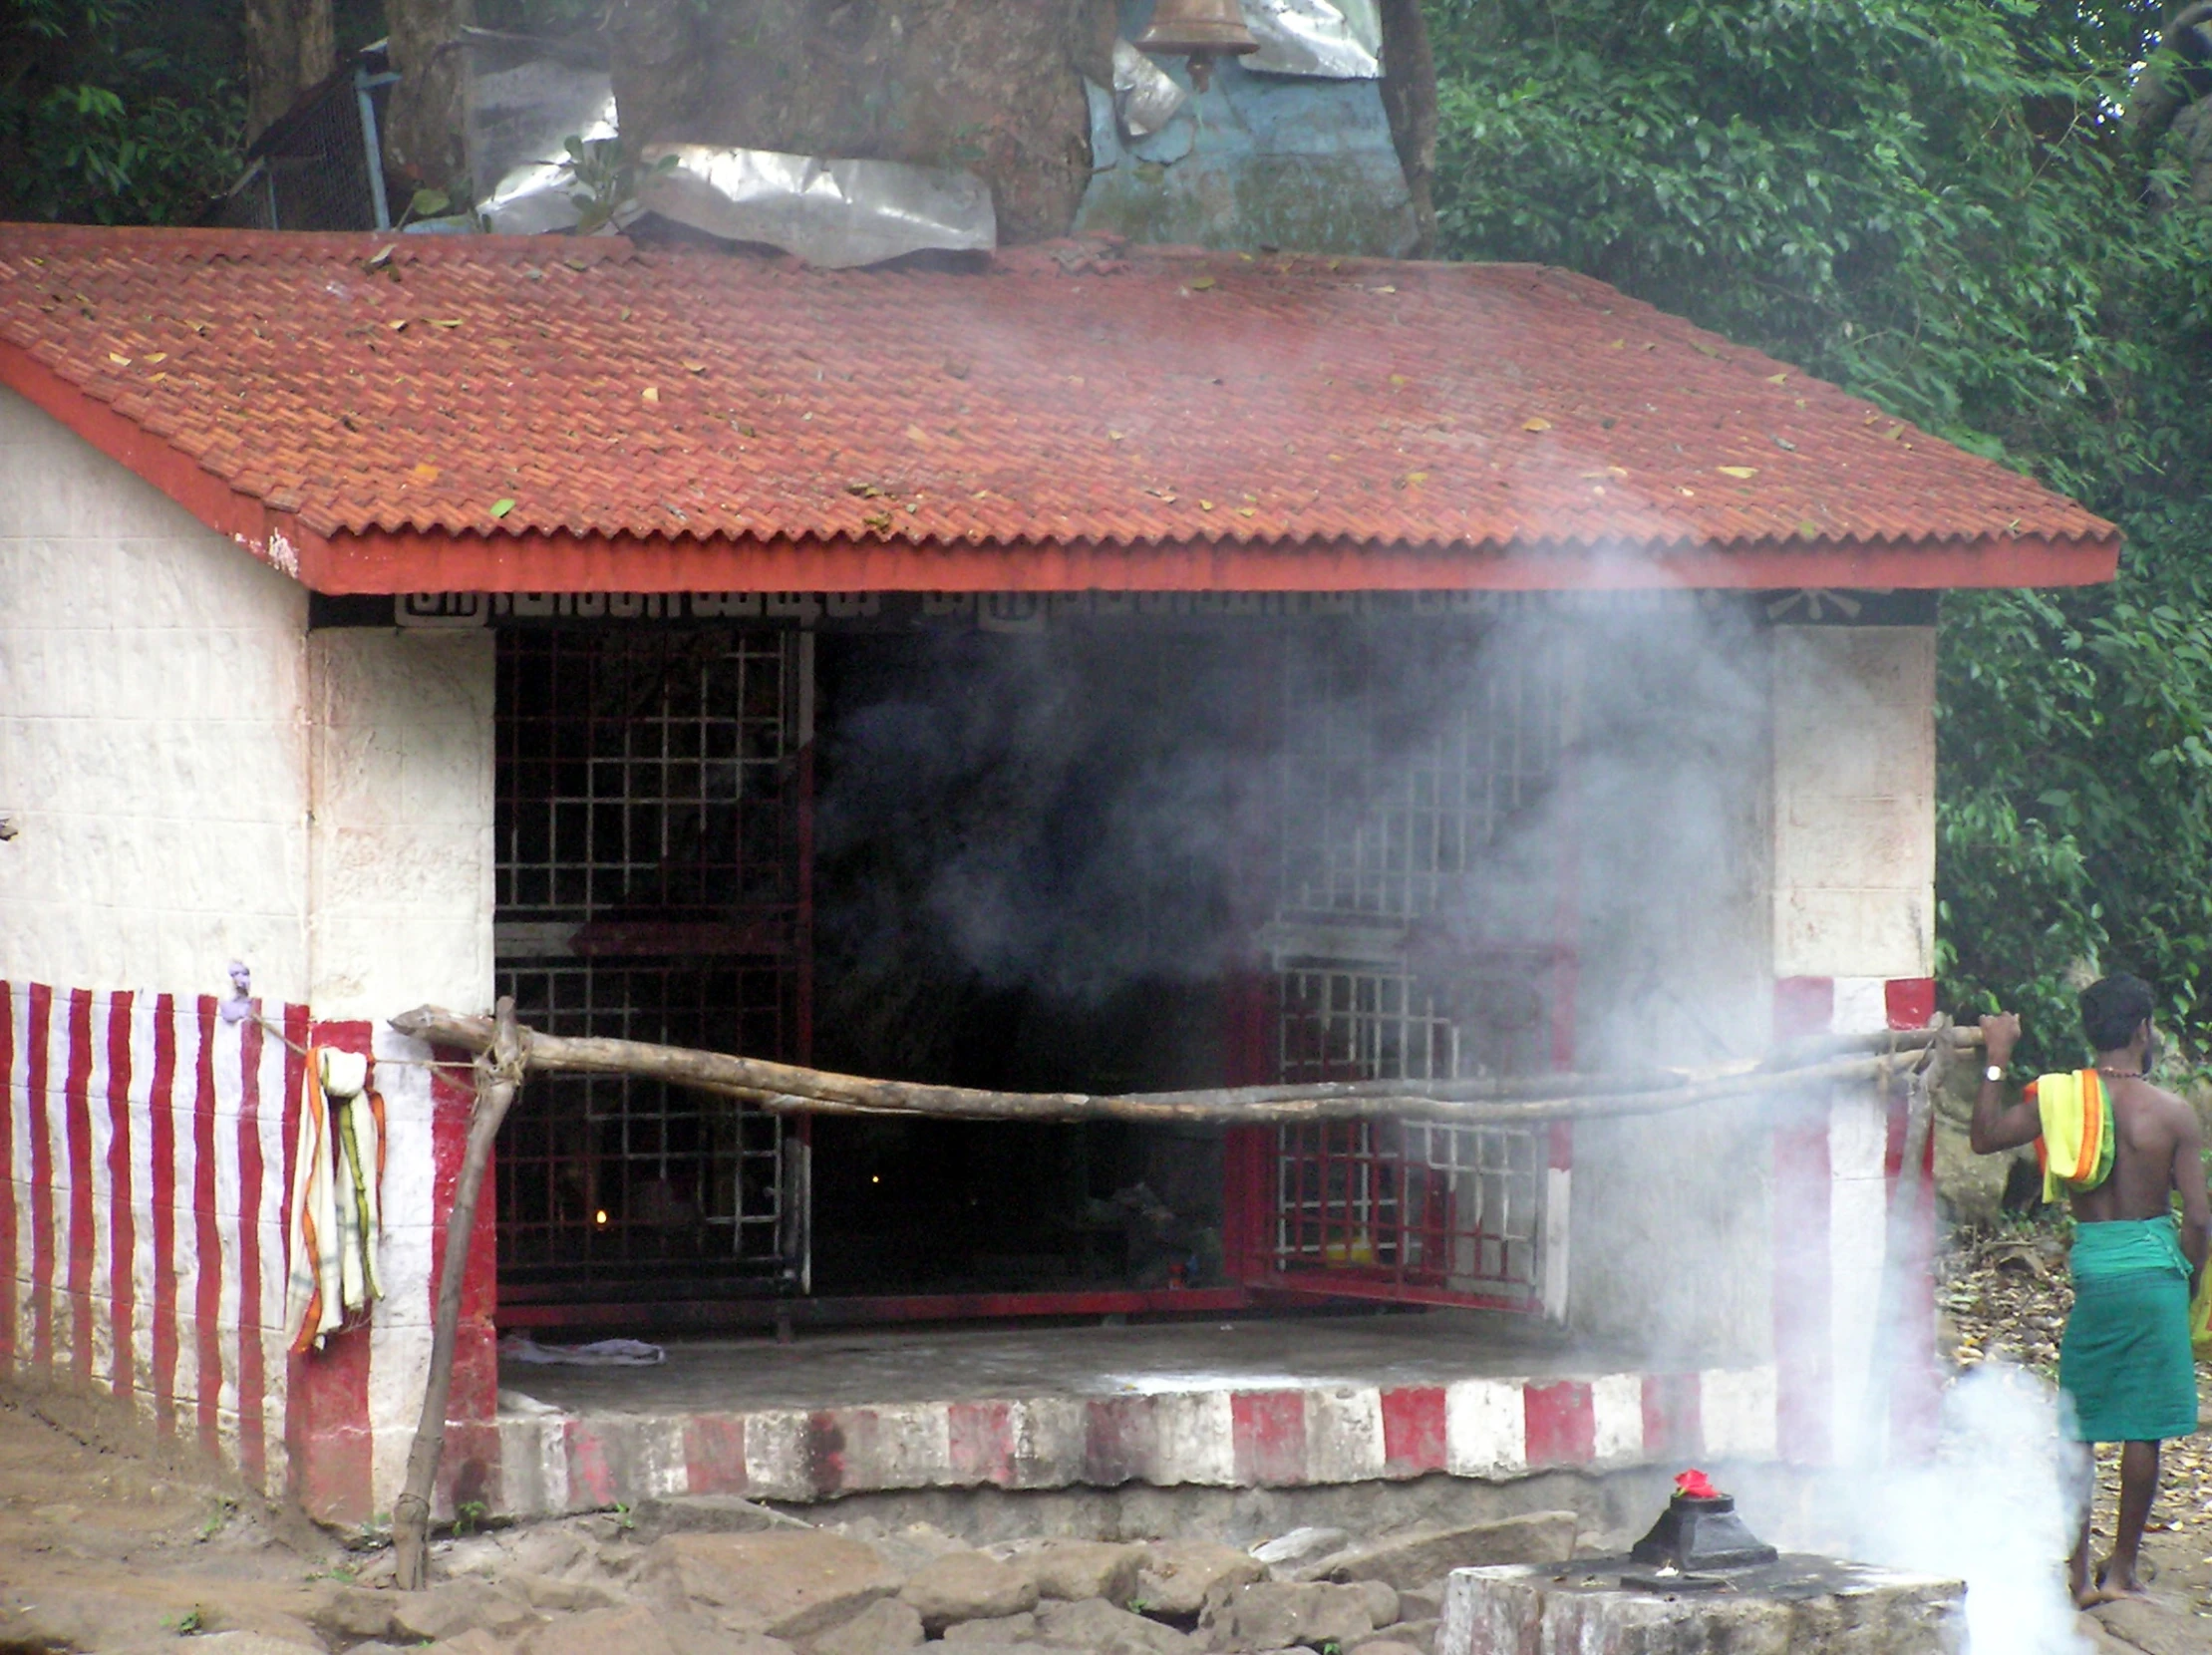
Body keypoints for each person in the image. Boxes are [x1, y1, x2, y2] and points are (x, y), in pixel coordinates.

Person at [1972, 975, 2209, 1604]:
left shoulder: (2061, 1101)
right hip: (2155, 1274)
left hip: (2096, 1272)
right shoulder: (2173, 1113)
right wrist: (2184, 1284)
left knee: (2080, 1425)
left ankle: (2075, 1574)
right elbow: (2201, 1219)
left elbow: (1984, 1138)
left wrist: (1997, 1060)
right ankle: (2122, 1570)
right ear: (2142, 1030)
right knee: (2142, 1427)